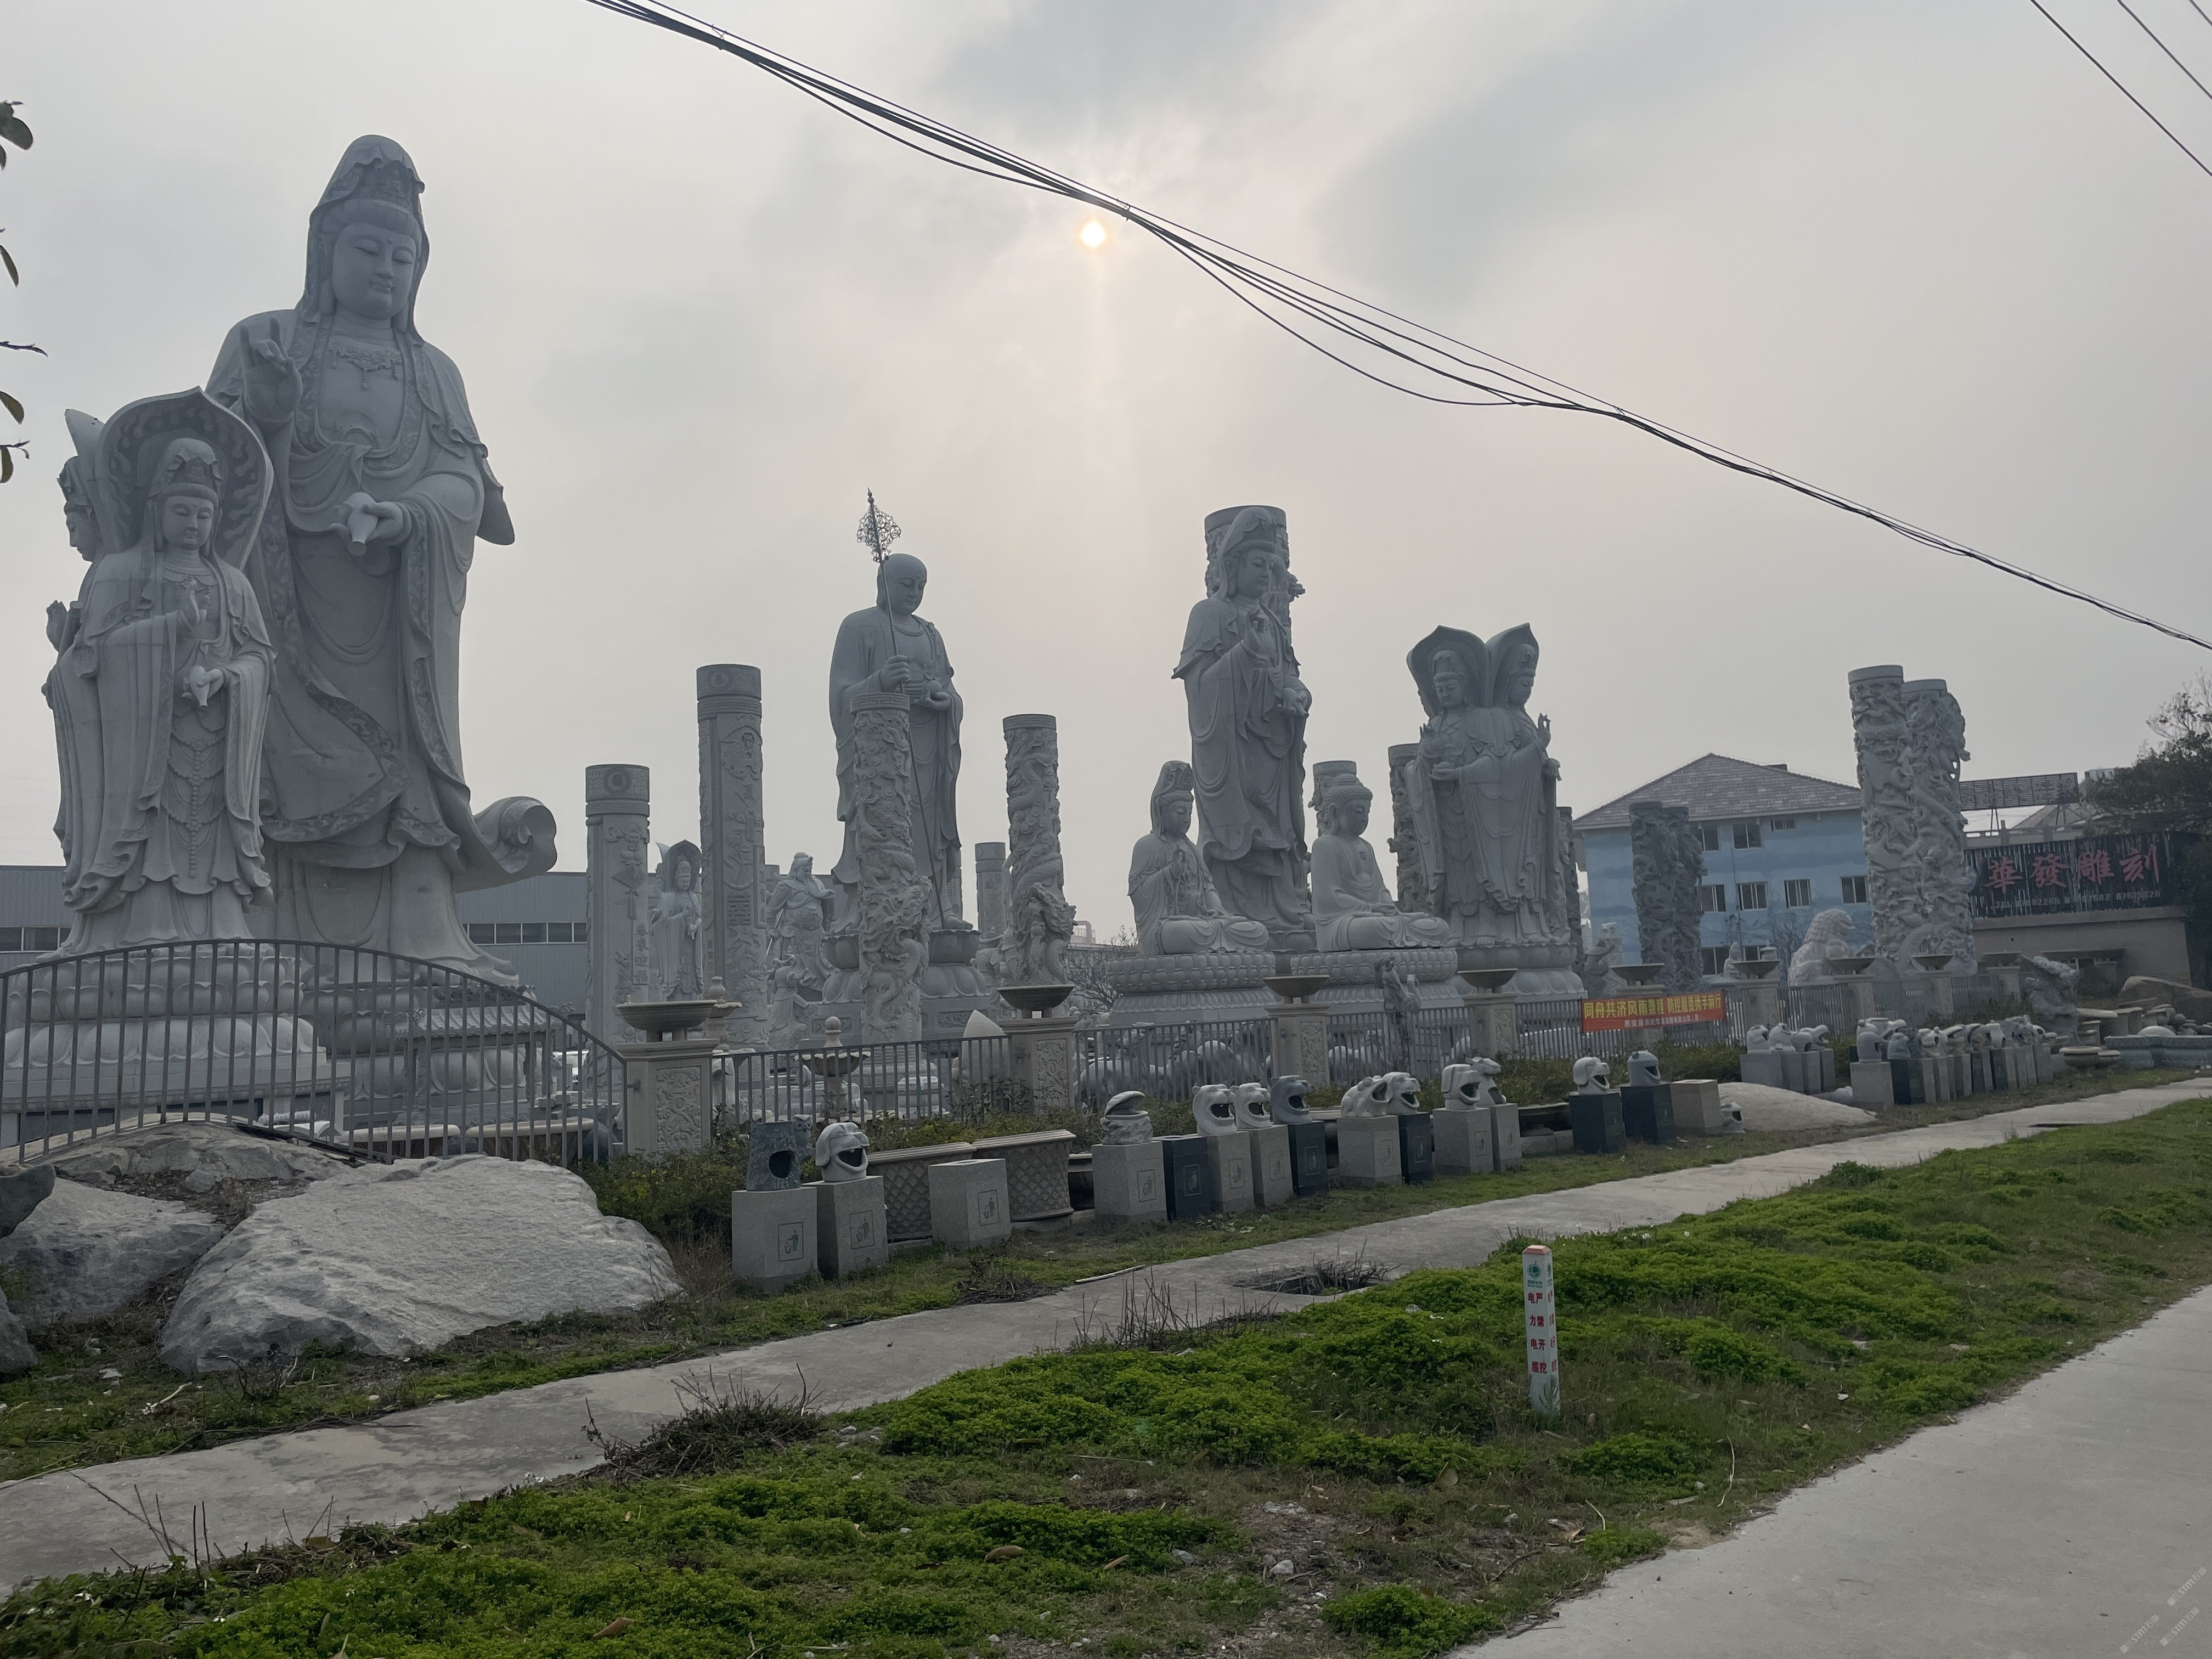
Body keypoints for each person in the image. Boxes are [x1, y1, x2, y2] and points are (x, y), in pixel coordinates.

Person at [206, 136, 548, 976]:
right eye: (368, 249)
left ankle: (420, 930)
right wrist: (269, 418)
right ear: (325, 250)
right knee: (273, 758)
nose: (387, 270)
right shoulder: (265, 339)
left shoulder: (433, 372)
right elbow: (203, 473)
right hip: (286, 607)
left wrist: (406, 515)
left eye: (404, 256)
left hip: (399, 623)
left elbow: (470, 491)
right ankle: (264, 932)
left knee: (407, 774)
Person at [46, 399, 276, 952]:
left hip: (216, 739)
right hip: (145, 746)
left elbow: (259, 658)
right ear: (155, 509)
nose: (194, 524)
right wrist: (172, 628)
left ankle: (223, 930)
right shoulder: (120, 573)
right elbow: (91, 659)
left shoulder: (233, 584)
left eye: (204, 515)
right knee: (153, 844)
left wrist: (227, 678)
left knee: (213, 846)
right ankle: (142, 931)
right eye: (182, 511)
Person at [1173, 505, 1311, 941]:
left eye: (1272, 566)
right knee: (1242, 840)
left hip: (1272, 749)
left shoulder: (1272, 622)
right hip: (1233, 752)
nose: (1266, 575)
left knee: (1279, 836)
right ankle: (1235, 911)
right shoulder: (1209, 615)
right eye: (1257, 564)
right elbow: (1199, 692)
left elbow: (1289, 676)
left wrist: (1298, 695)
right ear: (1233, 566)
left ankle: (1285, 907)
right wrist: (1245, 653)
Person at [827, 552, 963, 934]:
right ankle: (876, 903)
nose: (915, 593)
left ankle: (936, 907)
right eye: (907, 585)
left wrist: (941, 698)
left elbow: (951, 691)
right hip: (881, 753)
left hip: (929, 745)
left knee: (930, 829)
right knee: (881, 819)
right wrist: (881, 681)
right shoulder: (859, 626)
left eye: (922, 586)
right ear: (883, 583)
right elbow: (841, 697)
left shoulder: (931, 634)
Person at [1127, 761, 1272, 956]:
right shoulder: (1148, 845)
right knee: (1184, 933)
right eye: (1180, 813)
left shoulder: (1192, 849)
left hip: (1203, 922)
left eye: (1189, 813)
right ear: (1162, 812)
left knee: (1258, 932)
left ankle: (1217, 946)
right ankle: (1216, 946)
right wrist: (1170, 873)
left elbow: (1208, 886)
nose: (1186, 819)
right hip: (1167, 926)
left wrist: (1216, 908)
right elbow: (1139, 893)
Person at [1309, 770, 1452, 951]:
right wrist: (1371, 908)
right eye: (1358, 811)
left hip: (1379, 918)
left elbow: (1381, 889)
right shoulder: (1325, 845)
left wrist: (1387, 905)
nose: (1364, 818)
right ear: (1335, 812)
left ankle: (1398, 935)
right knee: (1374, 929)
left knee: (1438, 927)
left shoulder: (1366, 846)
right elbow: (1328, 899)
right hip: (1342, 922)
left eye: (1367, 812)